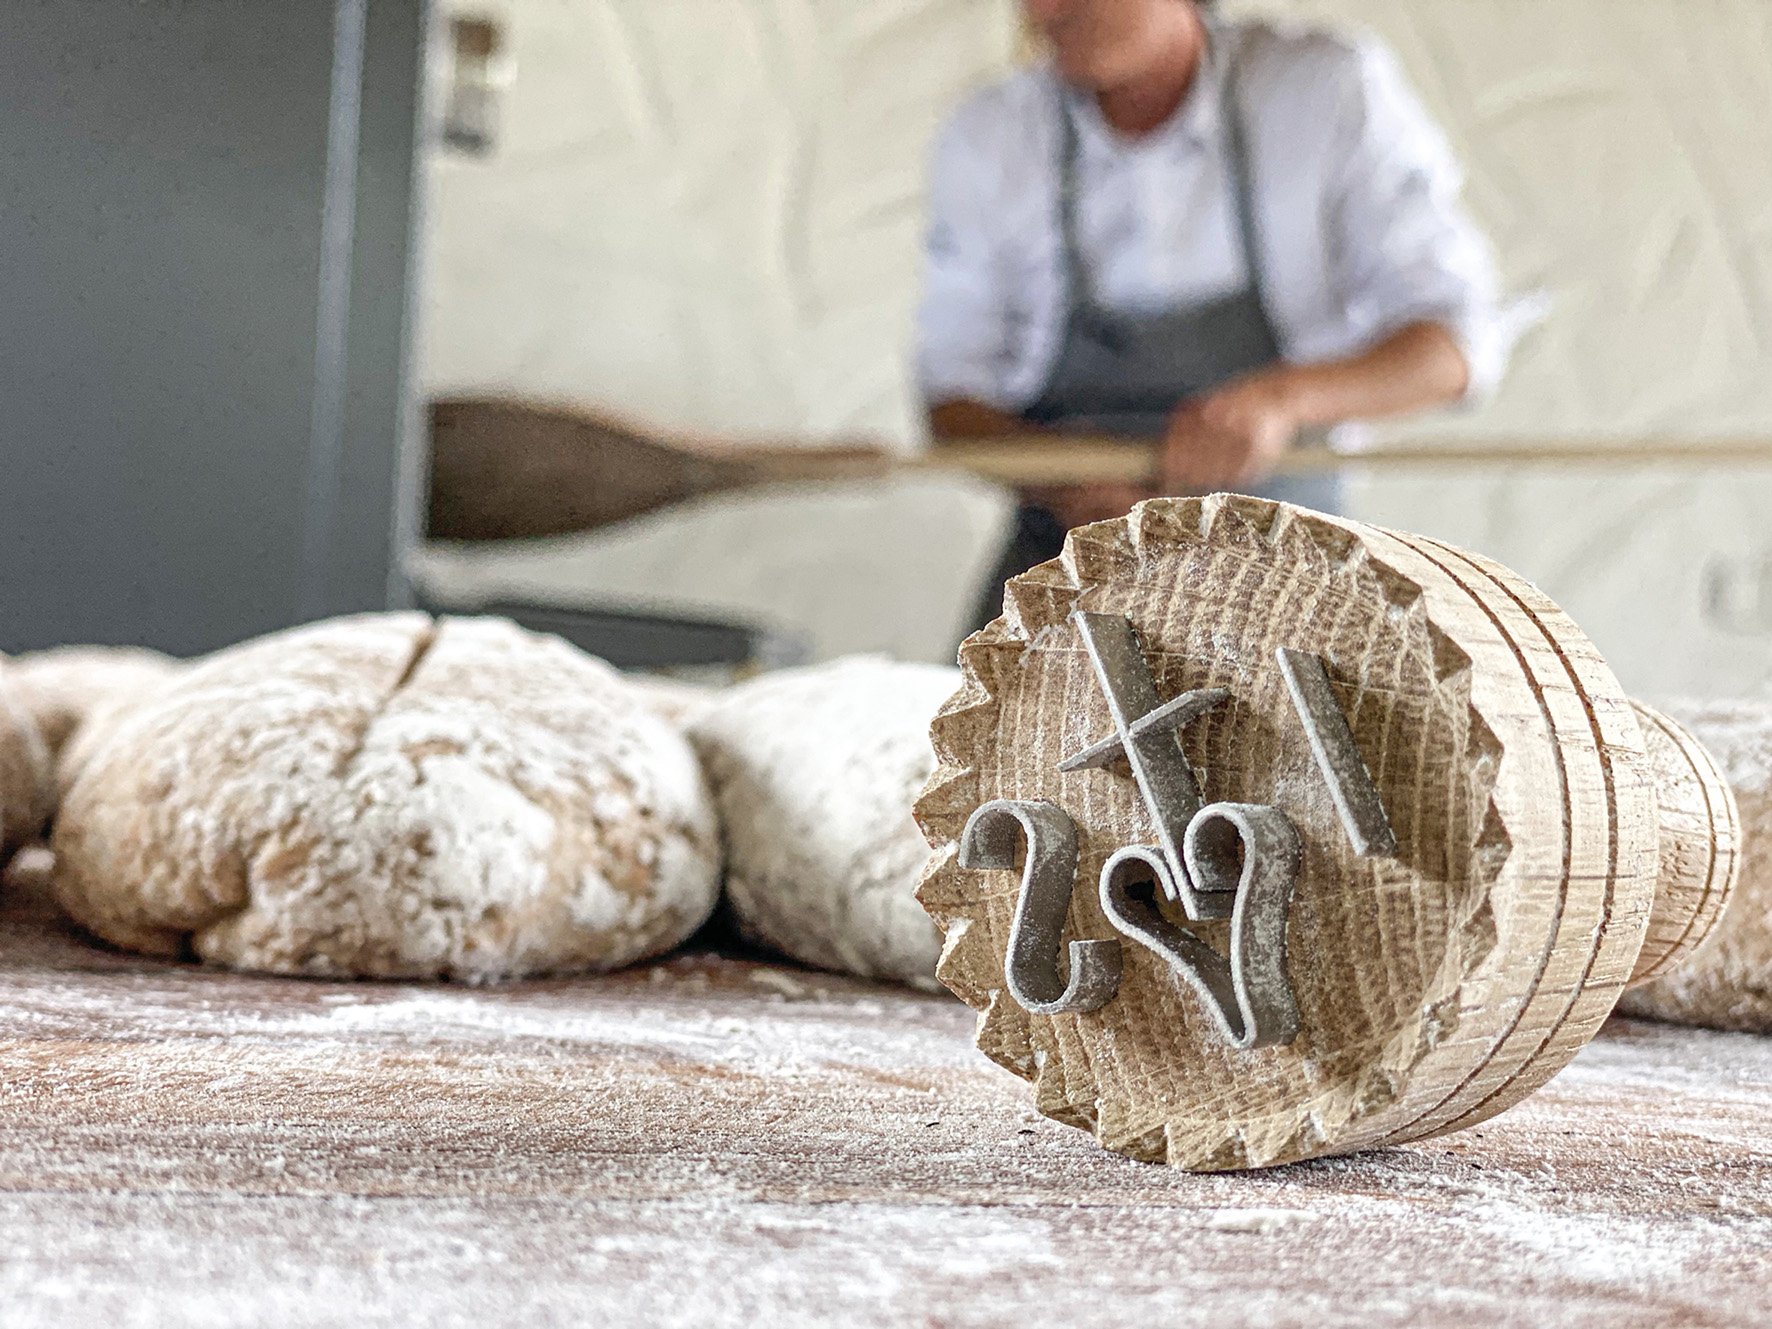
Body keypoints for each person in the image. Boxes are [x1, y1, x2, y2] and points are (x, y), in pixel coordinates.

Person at [918, 0, 1523, 622]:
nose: (1046, 10)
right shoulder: (989, 131)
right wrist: (1067, 480)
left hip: (1287, 574)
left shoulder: (1323, 88)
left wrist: (1281, 401)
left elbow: (1454, 349)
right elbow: (951, 402)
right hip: (1063, 572)